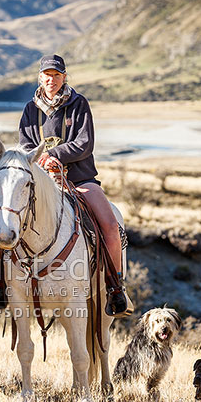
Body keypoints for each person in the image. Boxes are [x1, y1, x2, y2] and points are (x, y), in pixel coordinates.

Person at [19, 54, 128, 316]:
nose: (51, 80)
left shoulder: (79, 104)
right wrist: (40, 162)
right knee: (10, 218)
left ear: (64, 77)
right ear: (40, 77)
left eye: (57, 75)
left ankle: (115, 288)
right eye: (47, 75)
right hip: (42, 182)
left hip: (80, 179)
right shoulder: (29, 110)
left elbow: (84, 143)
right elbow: (24, 146)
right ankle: (4, 284)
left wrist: (54, 155)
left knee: (111, 226)